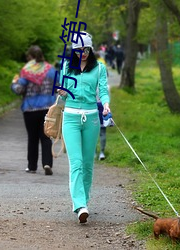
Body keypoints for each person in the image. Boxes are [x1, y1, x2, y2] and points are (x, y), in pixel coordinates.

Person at [57, 32, 110, 223]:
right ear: (74, 51)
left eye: (86, 50)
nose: (83, 54)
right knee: (76, 163)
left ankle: (84, 201)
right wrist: (62, 92)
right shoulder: (66, 66)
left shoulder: (99, 68)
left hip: (92, 119)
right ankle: (79, 205)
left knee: (88, 164)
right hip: (70, 118)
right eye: (79, 50)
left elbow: (103, 90)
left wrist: (106, 104)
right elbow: (62, 95)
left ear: (91, 49)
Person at [11, 45, 57, 175]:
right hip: (47, 108)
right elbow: (58, 86)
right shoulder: (51, 70)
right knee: (46, 136)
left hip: (30, 109)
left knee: (33, 138)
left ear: (30, 57)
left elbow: (19, 90)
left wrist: (14, 83)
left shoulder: (26, 71)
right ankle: (47, 163)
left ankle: (32, 166)